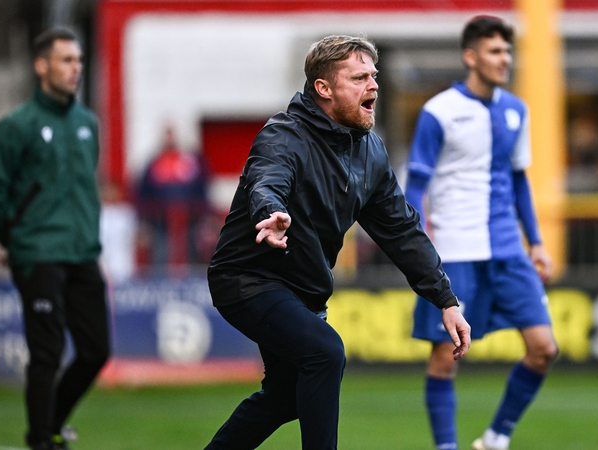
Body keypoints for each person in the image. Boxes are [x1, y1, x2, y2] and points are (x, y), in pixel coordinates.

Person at [204, 35, 471, 450]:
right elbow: (267, 179)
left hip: (303, 290)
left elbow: (402, 231)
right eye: (359, 77)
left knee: (285, 397)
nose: (374, 86)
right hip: (248, 278)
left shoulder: (371, 152)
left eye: (374, 76)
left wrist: (446, 299)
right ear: (323, 89)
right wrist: (269, 213)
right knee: (325, 352)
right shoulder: (283, 135)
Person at [405, 16, 559, 450]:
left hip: (508, 249)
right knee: (444, 355)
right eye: (495, 51)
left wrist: (538, 242)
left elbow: (519, 181)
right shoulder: (439, 112)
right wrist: (419, 248)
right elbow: (416, 184)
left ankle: (495, 438)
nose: (504, 59)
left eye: (508, 51)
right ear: (470, 57)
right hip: (454, 250)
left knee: (544, 347)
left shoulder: (516, 110)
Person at [0, 29, 110, 450]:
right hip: (39, 254)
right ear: (42, 66)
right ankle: (41, 440)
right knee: (47, 353)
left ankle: (49, 424)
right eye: (66, 60)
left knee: (95, 351)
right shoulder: (14, 128)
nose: (76, 68)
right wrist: (18, 241)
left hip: (83, 253)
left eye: (79, 61)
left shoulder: (88, 123)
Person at [136, 125, 210, 272]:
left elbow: (202, 187)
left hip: (190, 218)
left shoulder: (190, 161)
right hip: (159, 220)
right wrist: (145, 217)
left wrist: (204, 214)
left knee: (190, 250)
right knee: (161, 252)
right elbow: (143, 191)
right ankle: (160, 285)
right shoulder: (155, 162)